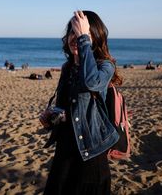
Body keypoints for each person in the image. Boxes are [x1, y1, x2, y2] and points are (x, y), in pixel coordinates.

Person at [43, 10, 122, 195]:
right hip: (65, 149)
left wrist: (84, 39)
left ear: (93, 36)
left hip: (92, 151)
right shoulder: (67, 68)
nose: (75, 37)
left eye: (80, 33)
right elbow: (66, 107)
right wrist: (52, 117)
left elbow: (92, 82)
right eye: (72, 32)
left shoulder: (105, 66)